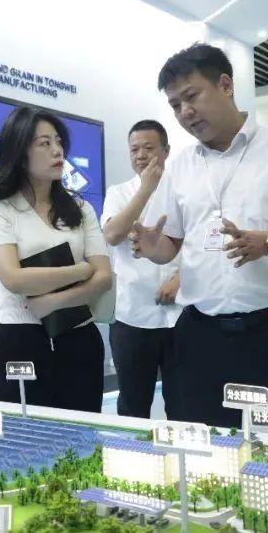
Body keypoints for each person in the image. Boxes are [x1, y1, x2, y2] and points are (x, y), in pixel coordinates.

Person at [131, 43, 268, 428]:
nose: (185, 112)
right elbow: (170, 244)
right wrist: (155, 247)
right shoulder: (181, 166)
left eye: (192, 96)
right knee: (207, 446)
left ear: (225, 85)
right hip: (200, 335)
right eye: (175, 105)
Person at [0, 106, 113, 412]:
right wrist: (81, 270)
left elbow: (104, 278)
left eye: (59, 142)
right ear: (20, 153)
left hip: (78, 334)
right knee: (22, 431)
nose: (57, 151)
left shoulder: (79, 208)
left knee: (81, 429)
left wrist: (52, 301)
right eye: (45, 143)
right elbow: (13, 279)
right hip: (20, 337)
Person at [101, 120, 182, 419]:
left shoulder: (183, 191)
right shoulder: (119, 192)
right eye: (135, 150)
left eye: (149, 148)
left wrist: (181, 280)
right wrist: (146, 189)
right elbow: (113, 235)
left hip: (182, 315)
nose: (141, 155)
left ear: (166, 151)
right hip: (132, 316)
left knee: (184, 403)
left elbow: (199, 244)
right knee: (133, 404)